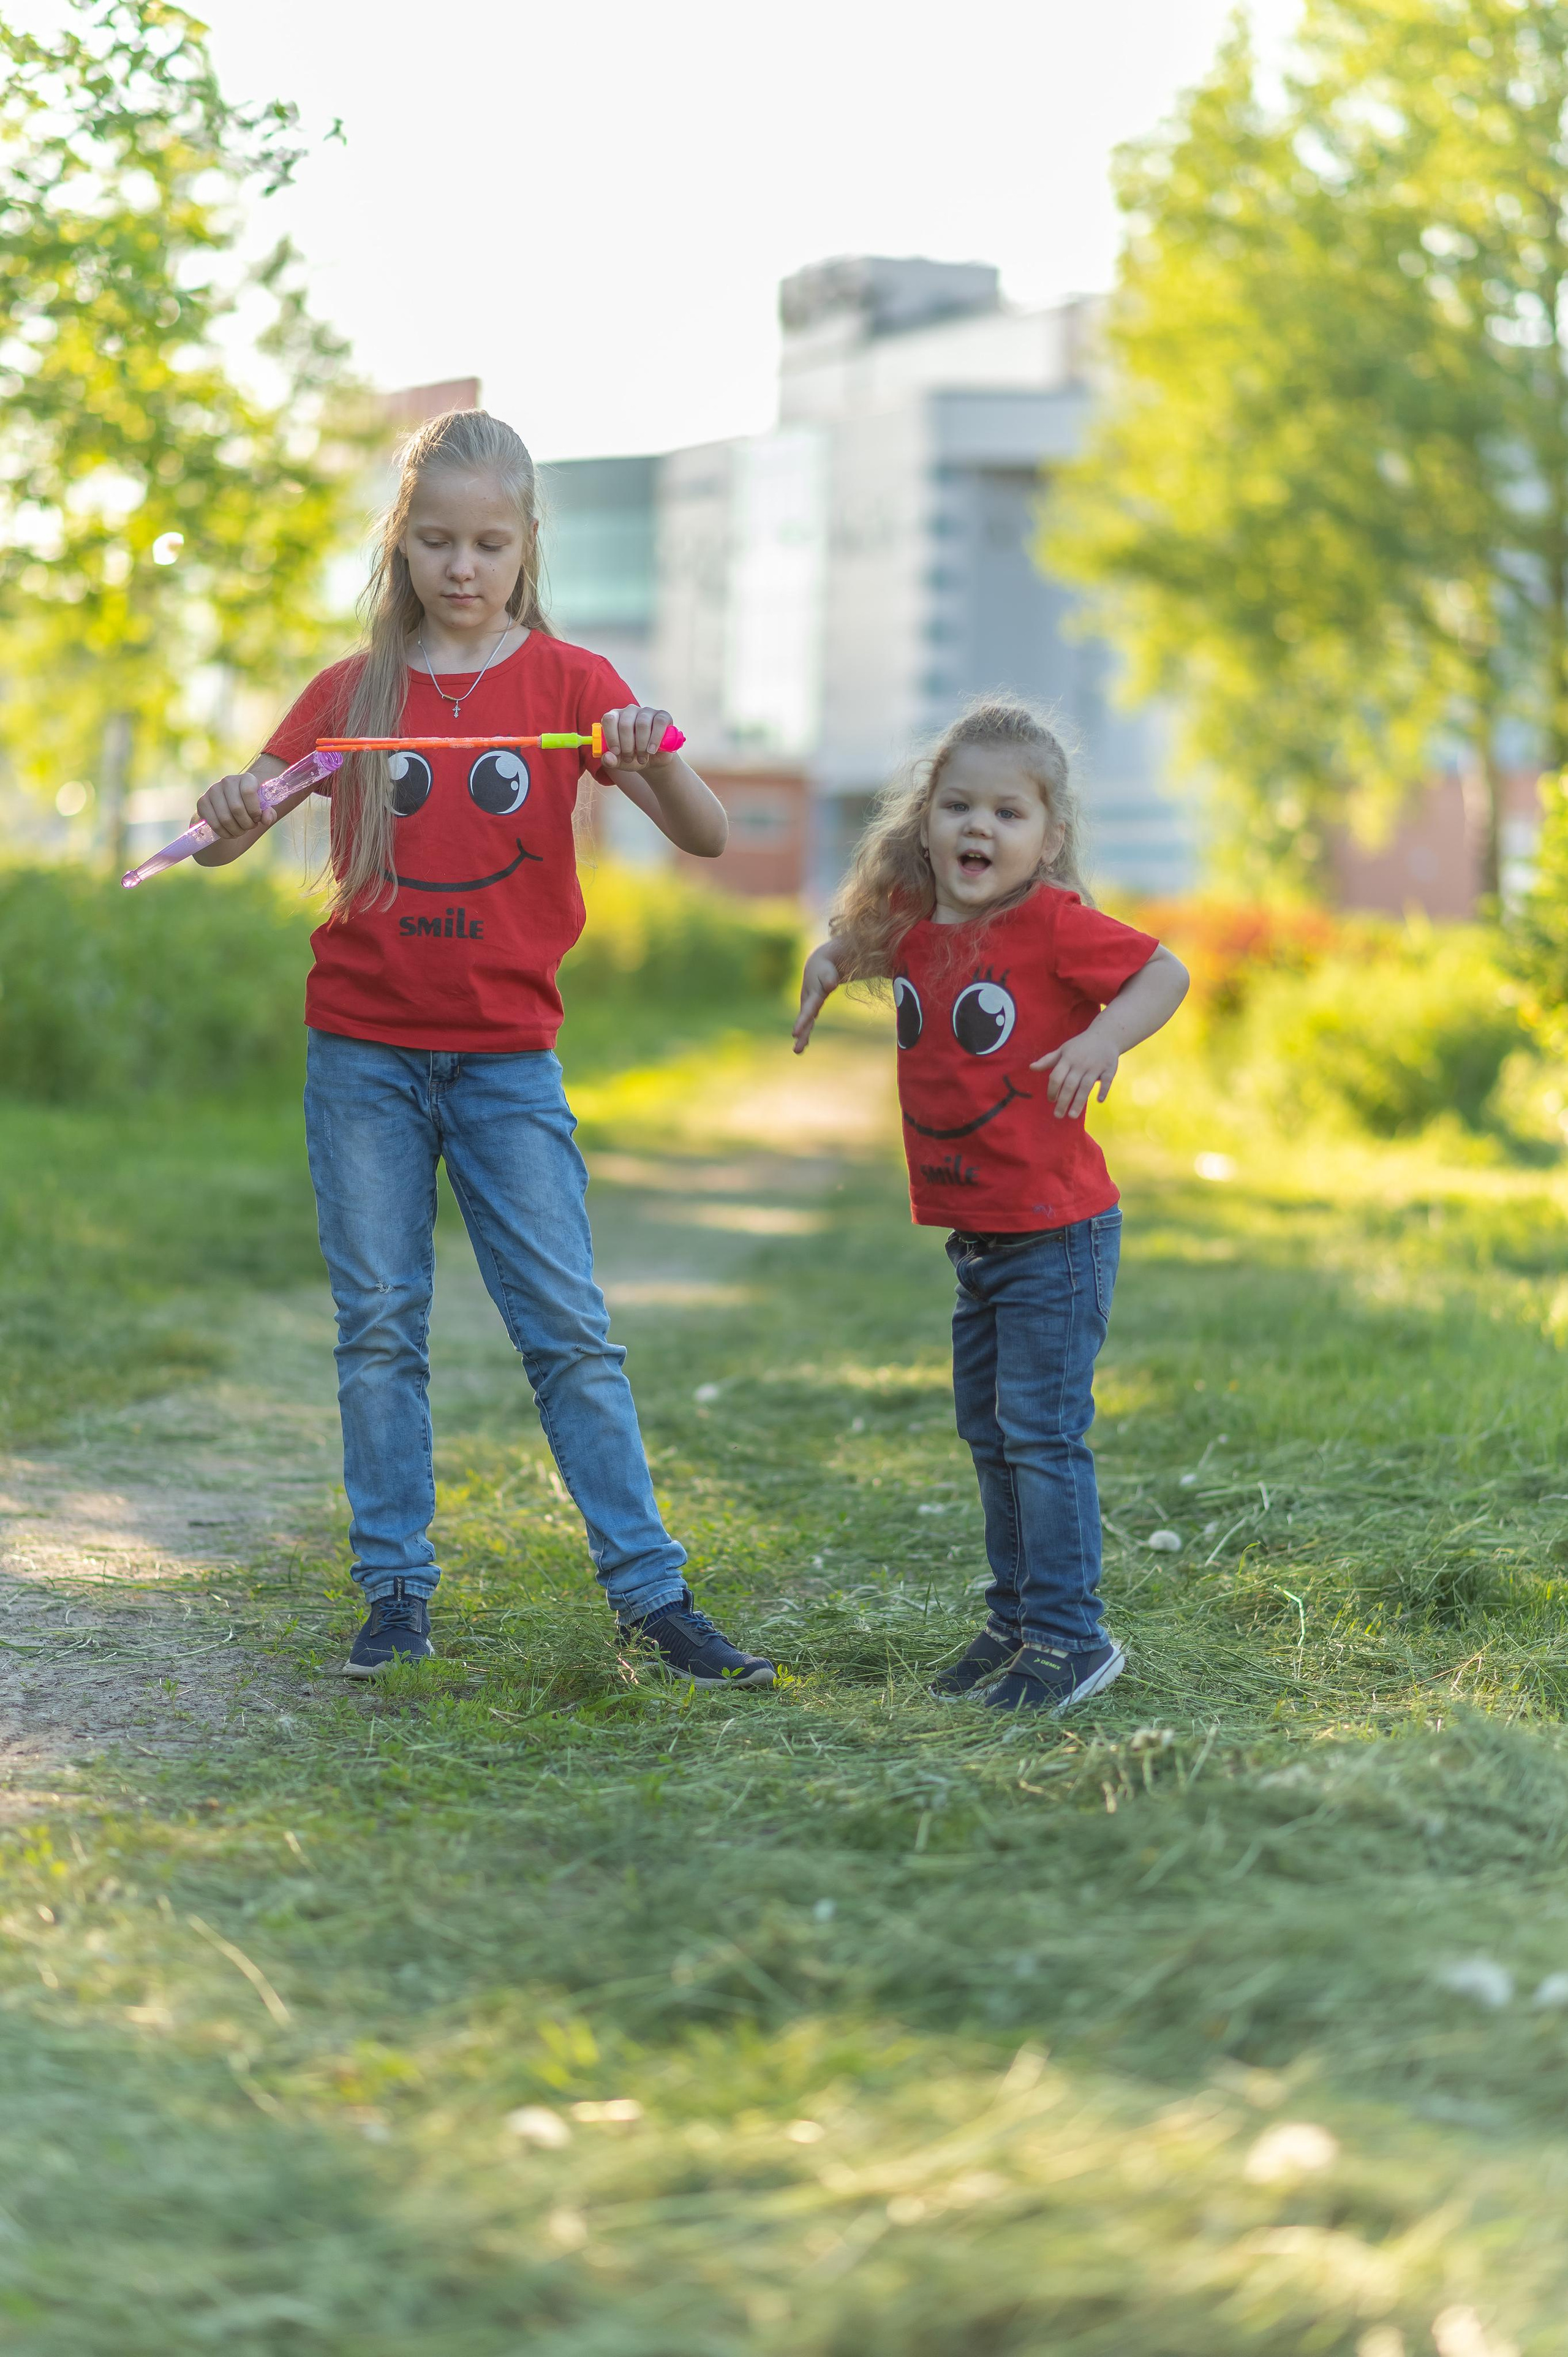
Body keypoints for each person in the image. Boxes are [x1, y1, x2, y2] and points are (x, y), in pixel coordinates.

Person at [192, 408, 774, 1689]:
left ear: (524, 549)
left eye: (489, 543)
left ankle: (650, 1595)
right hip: (363, 1059)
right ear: (402, 547)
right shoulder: (351, 693)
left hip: (507, 1063)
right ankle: (394, 1593)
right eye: (437, 541)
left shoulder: (575, 684)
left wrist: (652, 752)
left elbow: (710, 833)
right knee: (382, 1323)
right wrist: (229, 806)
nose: (462, 567)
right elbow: (238, 821)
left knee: (566, 1326)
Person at [793, 700, 1188, 1714]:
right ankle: (1015, 1620)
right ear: (925, 819)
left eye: (1008, 813)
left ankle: (1071, 1637)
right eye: (959, 805)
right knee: (991, 1428)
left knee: (1040, 1432)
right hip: (983, 1238)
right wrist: (831, 962)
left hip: (1057, 1233)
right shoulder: (922, 927)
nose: (980, 828)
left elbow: (1163, 971)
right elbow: (862, 947)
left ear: (1047, 840)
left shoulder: (1053, 922)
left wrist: (1105, 1041)